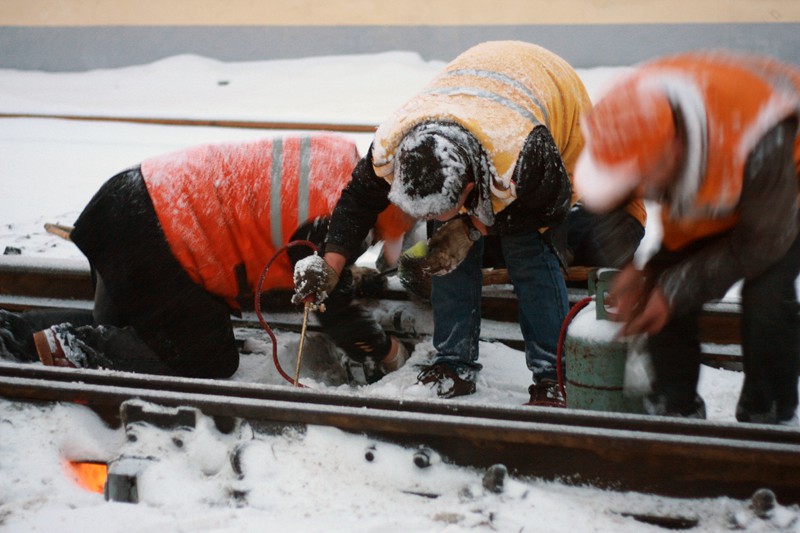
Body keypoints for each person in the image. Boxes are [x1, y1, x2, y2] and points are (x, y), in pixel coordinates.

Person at [293, 41, 591, 400]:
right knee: (443, 252)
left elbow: (552, 208)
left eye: (435, 211)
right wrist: (330, 265)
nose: (423, 220)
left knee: (528, 250)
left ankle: (553, 377)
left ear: (467, 189)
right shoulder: (392, 144)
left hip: (555, 97)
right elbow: (357, 203)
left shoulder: (523, 156)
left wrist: (473, 227)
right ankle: (453, 365)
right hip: (472, 93)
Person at [0, 132, 412, 383]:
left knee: (127, 331)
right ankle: (70, 348)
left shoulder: (343, 162)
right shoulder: (334, 219)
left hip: (130, 200)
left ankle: (13, 332)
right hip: (156, 232)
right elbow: (334, 312)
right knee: (207, 357)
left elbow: (289, 237)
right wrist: (389, 351)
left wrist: (347, 274)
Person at [574, 51, 800, 425]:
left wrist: (675, 290)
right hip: (717, 182)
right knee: (656, 291)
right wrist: (628, 268)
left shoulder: (762, 135)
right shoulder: (622, 118)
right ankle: (674, 411)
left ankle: (768, 417)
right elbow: (609, 202)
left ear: (672, 149)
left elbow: (760, 244)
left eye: (644, 176)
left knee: (767, 296)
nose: (640, 189)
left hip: (785, 194)